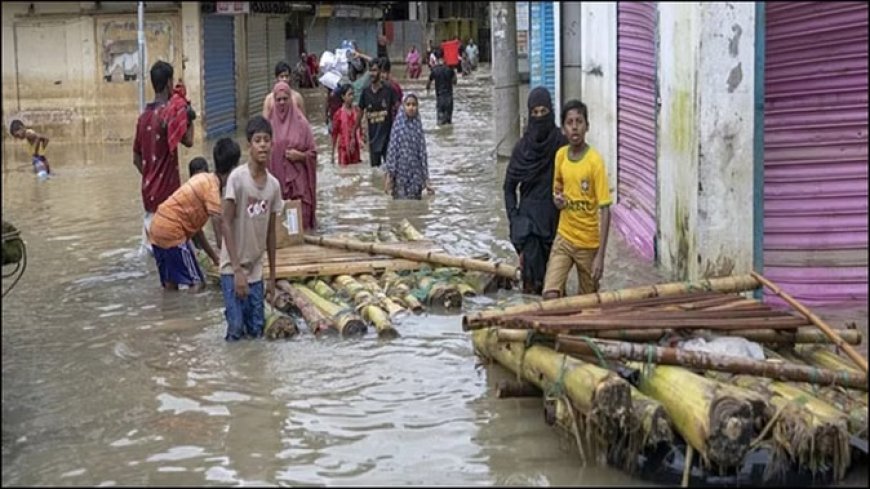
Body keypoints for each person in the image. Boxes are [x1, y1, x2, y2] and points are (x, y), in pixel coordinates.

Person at [219, 116, 284, 341]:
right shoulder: (237, 179)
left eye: (267, 140)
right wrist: (236, 271)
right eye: (258, 140)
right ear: (249, 145)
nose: (263, 145)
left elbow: (271, 233)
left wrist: (273, 277)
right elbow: (225, 222)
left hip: (256, 269)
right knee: (236, 329)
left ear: (272, 145)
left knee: (256, 330)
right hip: (232, 267)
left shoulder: (274, 186)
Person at [148, 138, 240, 291]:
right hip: (172, 232)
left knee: (170, 285)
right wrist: (233, 265)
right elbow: (220, 238)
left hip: (157, 227)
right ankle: (195, 314)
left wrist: (214, 258)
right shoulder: (212, 192)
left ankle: (171, 313)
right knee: (198, 283)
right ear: (233, 170)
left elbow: (197, 232)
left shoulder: (204, 179)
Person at [542, 100, 612, 300]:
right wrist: (558, 201)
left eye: (579, 122)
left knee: (587, 304)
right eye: (570, 122)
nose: (574, 127)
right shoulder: (560, 156)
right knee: (550, 294)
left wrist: (601, 256)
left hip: (588, 244)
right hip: (564, 238)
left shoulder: (595, 162)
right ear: (563, 128)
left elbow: (606, 210)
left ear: (587, 126)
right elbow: (557, 192)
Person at [504, 88, 567, 295]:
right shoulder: (522, 149)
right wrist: (514, 218)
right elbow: (509, 188)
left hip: (555, 222)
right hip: (529, 225)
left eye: (543, 112)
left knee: (556, 285)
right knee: (531, 288)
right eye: (535, 113)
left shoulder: (562, 145)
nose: (539, 117)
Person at [133, 60, 195, 255]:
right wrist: (189, 116)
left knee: (151, 257)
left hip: (149, 196)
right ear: (169, 83)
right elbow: (189, 141)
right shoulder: (170, 113)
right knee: (177, 256)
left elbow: (136, 157)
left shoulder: (143, 117)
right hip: (168, 199)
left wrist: (152, 174)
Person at [268, 81, 318, 230]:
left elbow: (314, 153)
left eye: (285, 98)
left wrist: (301, 156)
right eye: (278, 99)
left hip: (299, 188)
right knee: (281, 229)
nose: (282, 102)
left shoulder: (302, 124)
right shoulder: (268, 126)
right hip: (277, 185)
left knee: (300, 227)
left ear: (291, 99)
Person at [383, 94, 433, 200]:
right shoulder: (397, 126)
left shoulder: (418, 127)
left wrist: (427, 179)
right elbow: (392, 151)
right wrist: (389, 176)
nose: (411, 107)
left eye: (414, 105)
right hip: (400, 174)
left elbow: (422, 153)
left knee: (414, 205)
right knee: (400, 206)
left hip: (415, 174)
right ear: (403, 106)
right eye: (408, 104)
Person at [356, 58, 399, 168]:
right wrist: (354, 134)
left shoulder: (389, 90)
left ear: (380, 71)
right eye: (370, 71)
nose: (372, 74)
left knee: (390, 168)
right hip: (373, 139)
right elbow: (359, 113)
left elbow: (399, 110)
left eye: (374, 70)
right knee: (375, 170)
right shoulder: (365, 92)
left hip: (388, 138)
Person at [331, 84, 362, 166]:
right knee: (344, 173)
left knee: (356, 171)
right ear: (343, 97)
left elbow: (360, 127)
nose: (352, 97)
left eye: (352, 94)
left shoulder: (357, 111)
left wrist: (361, 140)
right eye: (349, 95)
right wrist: (332, 154)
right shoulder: (338, 114)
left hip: (355, 147)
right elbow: (334, 134)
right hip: (343, 148)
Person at [426, 49, 457, 126]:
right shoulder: (449, 69)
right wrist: (453, 72)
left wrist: (428, 92)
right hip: (449, 99)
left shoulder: (434, 70)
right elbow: (455, 82)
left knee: (440, 123)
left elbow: (428, 85)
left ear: (436, 58)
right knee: (448, 123)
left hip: (440, 99)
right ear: (444, 56)